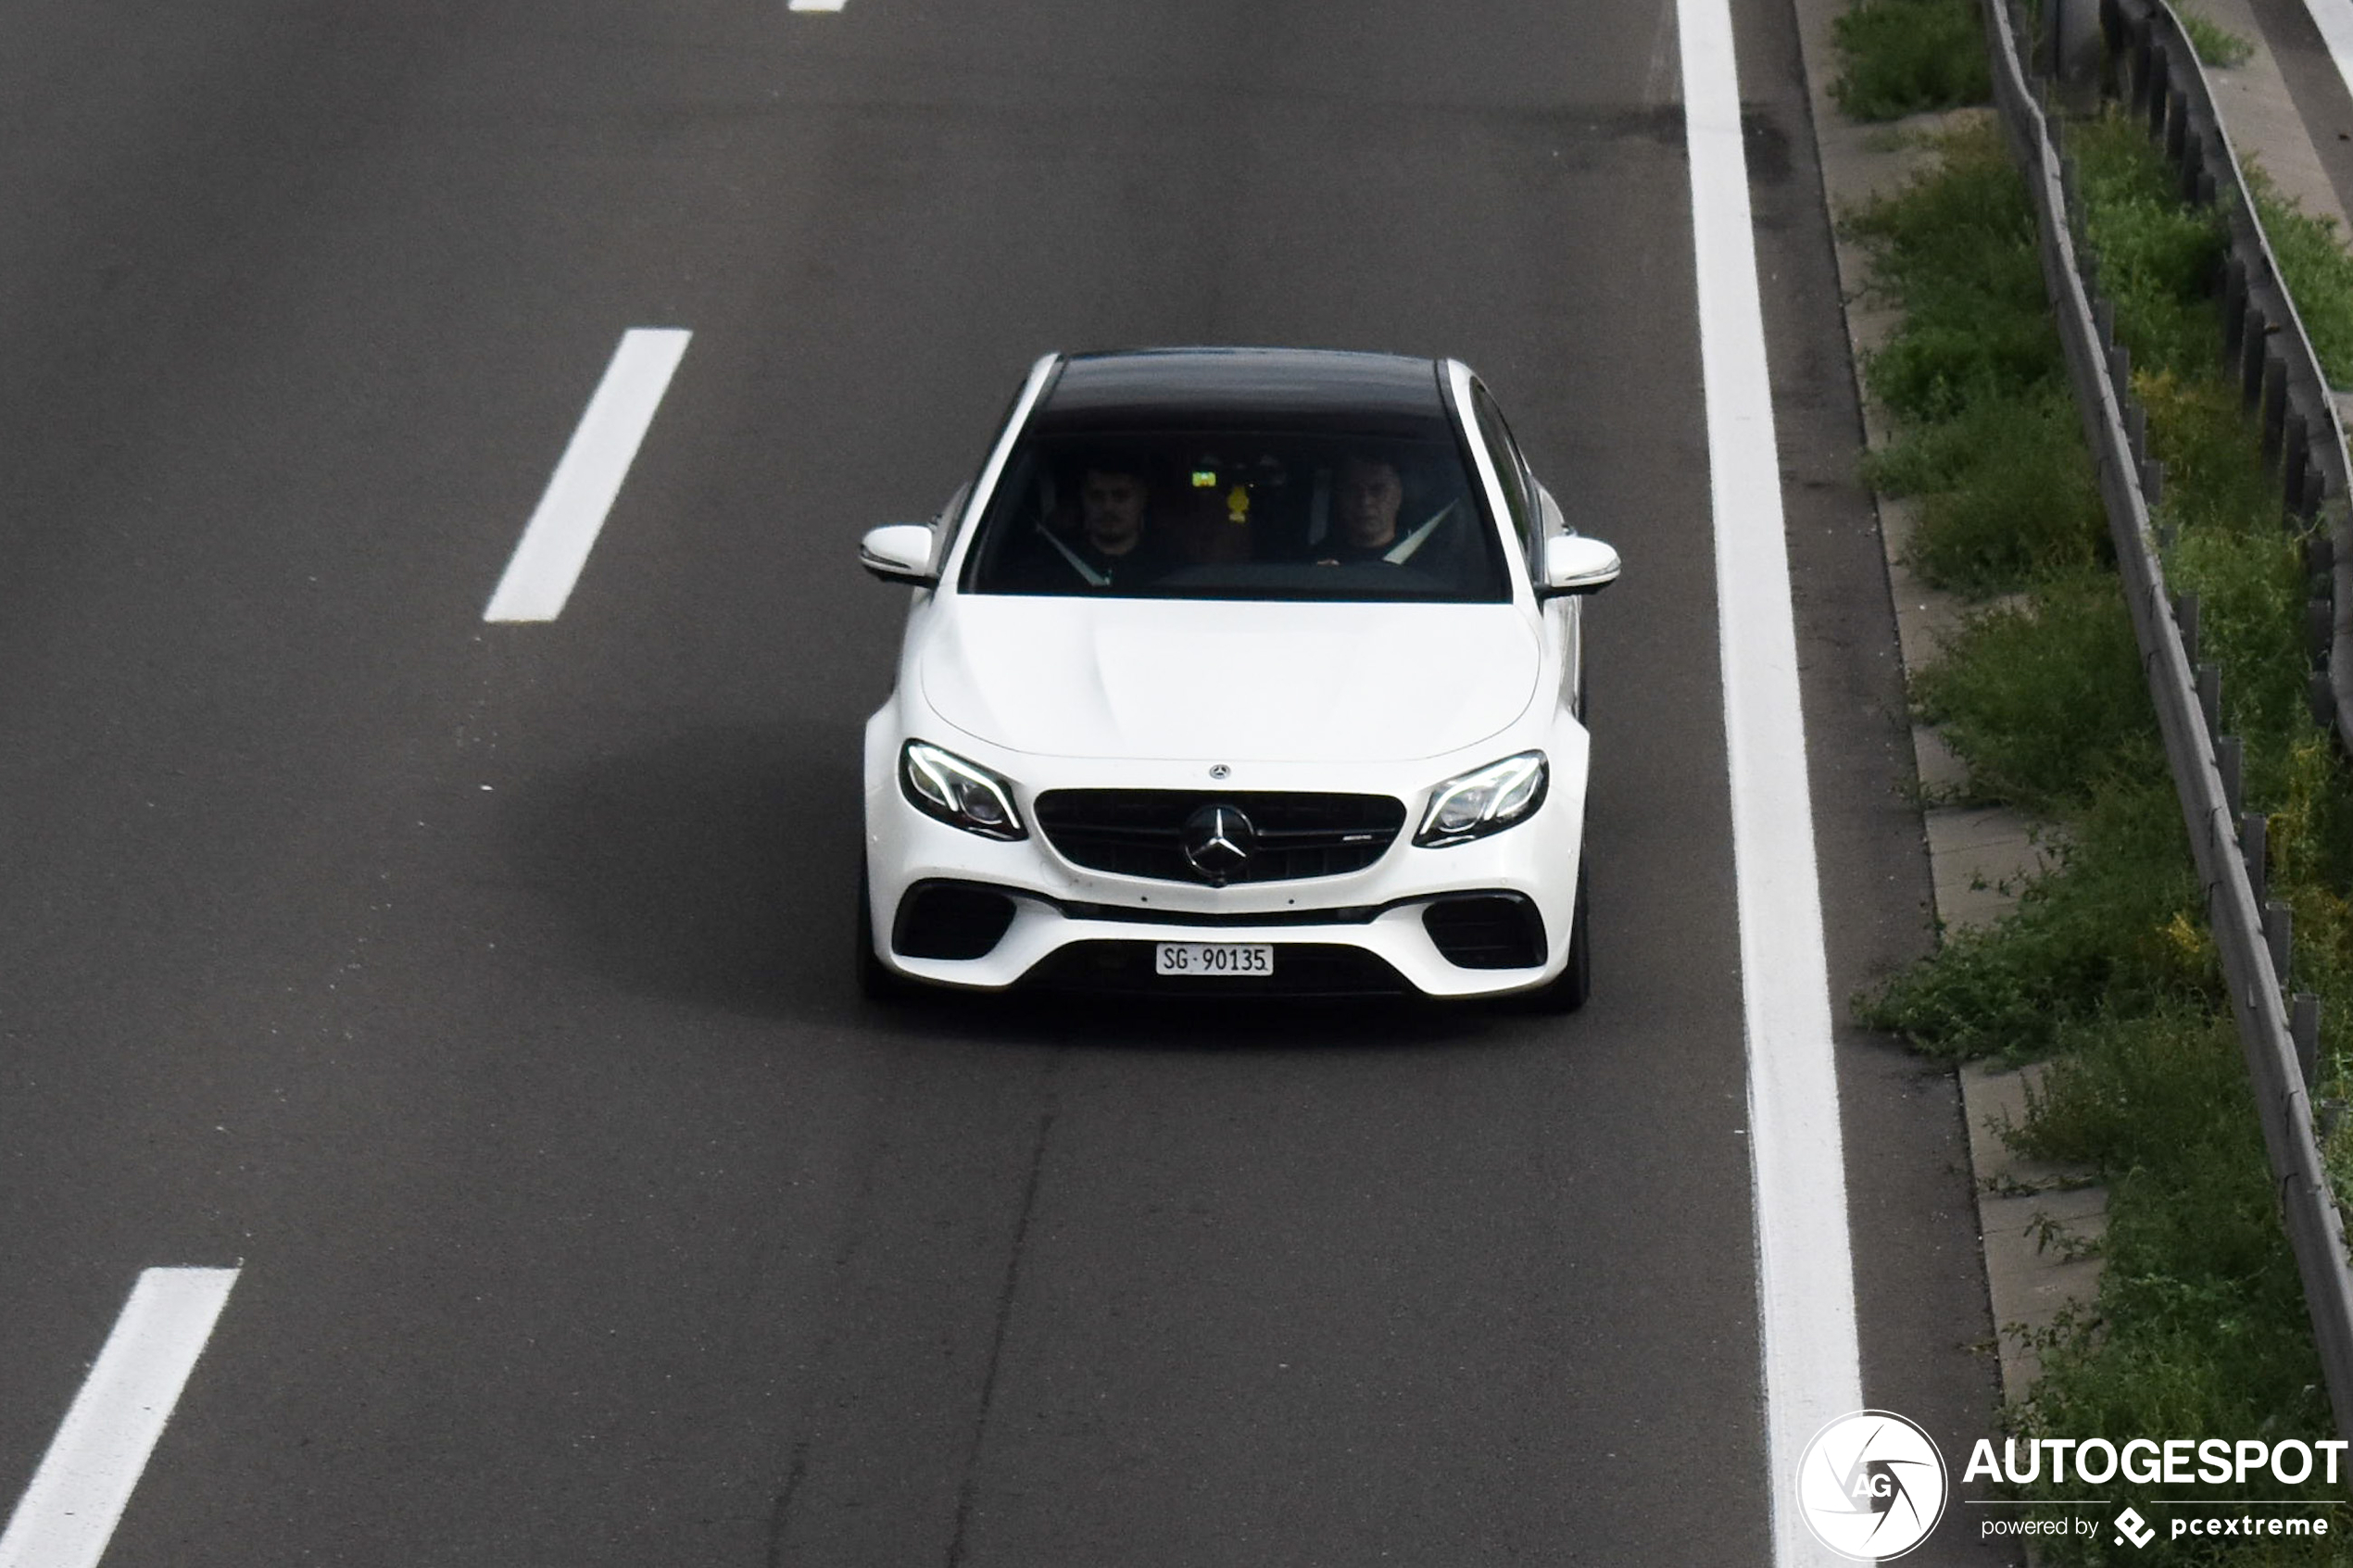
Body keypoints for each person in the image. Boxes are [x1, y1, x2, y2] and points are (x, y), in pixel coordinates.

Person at [1017, 458, 1168, 590]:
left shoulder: (1169, 566)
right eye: (1096, 496)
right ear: (1083, 500)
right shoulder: (1049, 565)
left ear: (1141, 499)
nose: (1108, 507)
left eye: (1120, 496)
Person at [1313, 453, 1457, 567]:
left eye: (1378, 490)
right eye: (1353, 490)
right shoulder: (1312, 563)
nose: (1365, 501)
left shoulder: (1427, 563)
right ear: (1340, 496)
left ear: (1398, 494)